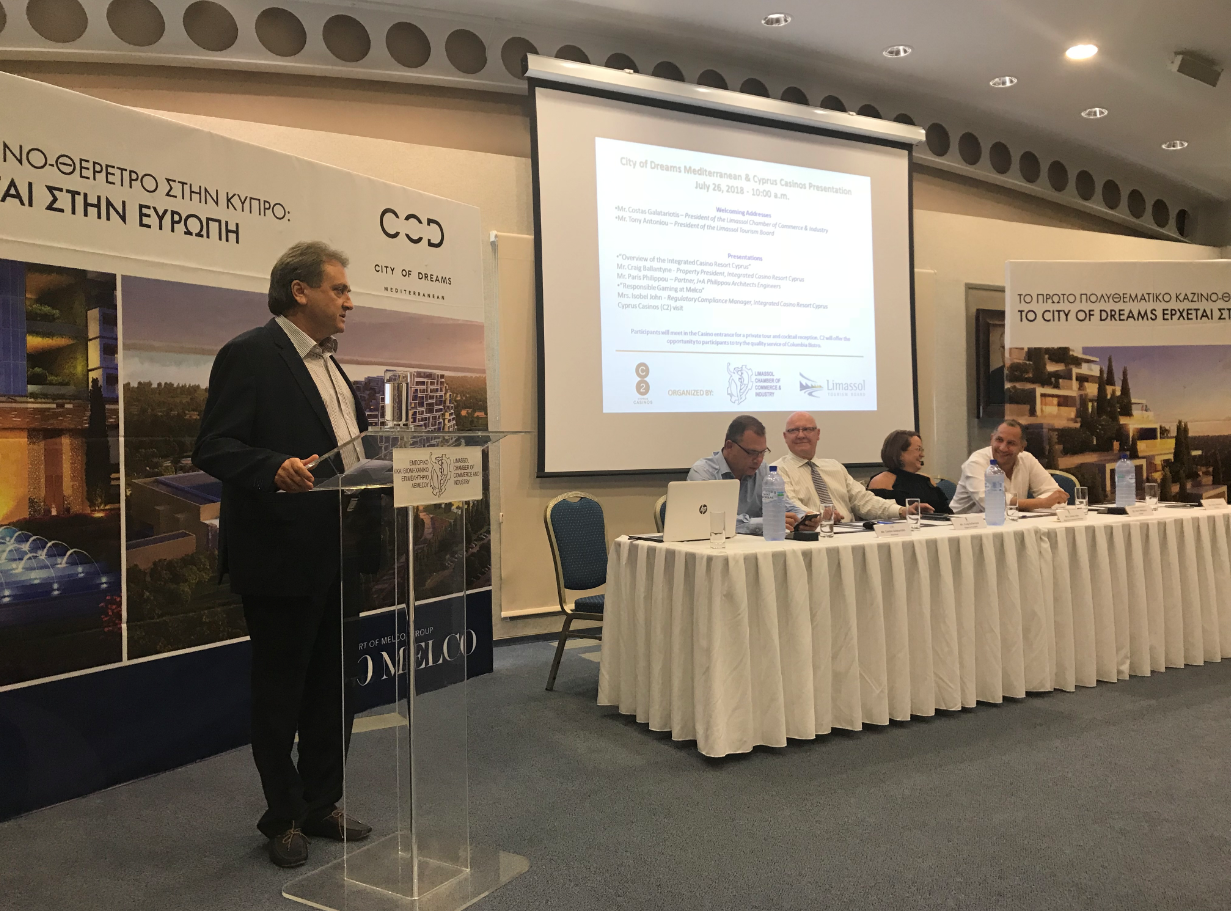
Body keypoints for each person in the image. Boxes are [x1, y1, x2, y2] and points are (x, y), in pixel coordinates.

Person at [193, 241, 372, 868]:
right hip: (280, 554)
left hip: (340, 551)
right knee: (281, 695)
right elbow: (212, 446)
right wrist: (273, 467)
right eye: (339, 289)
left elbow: (351, 454)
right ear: (300, 291)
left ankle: (322, 804)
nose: (350, 301)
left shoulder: (334, 367)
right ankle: (284, 817)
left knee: (333, 692)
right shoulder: (249, 354)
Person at [771, 412, 931, 521]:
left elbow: (864, 500)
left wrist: (902, 511)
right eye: (793, 430)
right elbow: (789, 505)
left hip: (850, 534)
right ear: (785, 436)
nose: (801, 435)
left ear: (818, 434)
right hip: (812, 536)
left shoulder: (835, 467)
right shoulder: (777, 471)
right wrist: (820, 517)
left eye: (807, 429)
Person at [688, 414, 809, 535]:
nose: (759, 459)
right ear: (729, 446)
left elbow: (783, 505)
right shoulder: (703, 472)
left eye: (762, 452)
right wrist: (764, 523)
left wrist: (804, 519)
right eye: (752, 452)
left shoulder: (763, 470)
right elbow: (708, 520)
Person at [950, 419, 1068, 514]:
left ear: (1022, 447)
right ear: (991, 439)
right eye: (999, 440)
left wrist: (1047, 501)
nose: (1003, 448)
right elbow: (991, 503)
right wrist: (1041, 503)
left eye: (1011, 443)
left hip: (1009, 524)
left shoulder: (1027, 459)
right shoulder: (976, 462)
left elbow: (1056, 494)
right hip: (961, 529)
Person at [868, 430, 953, 514]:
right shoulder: (881, 481)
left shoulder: (926, 480)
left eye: (922, 450)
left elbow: (946, 513)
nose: (922, 455)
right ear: (900, 453)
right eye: (918, 449)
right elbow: (877, 514)